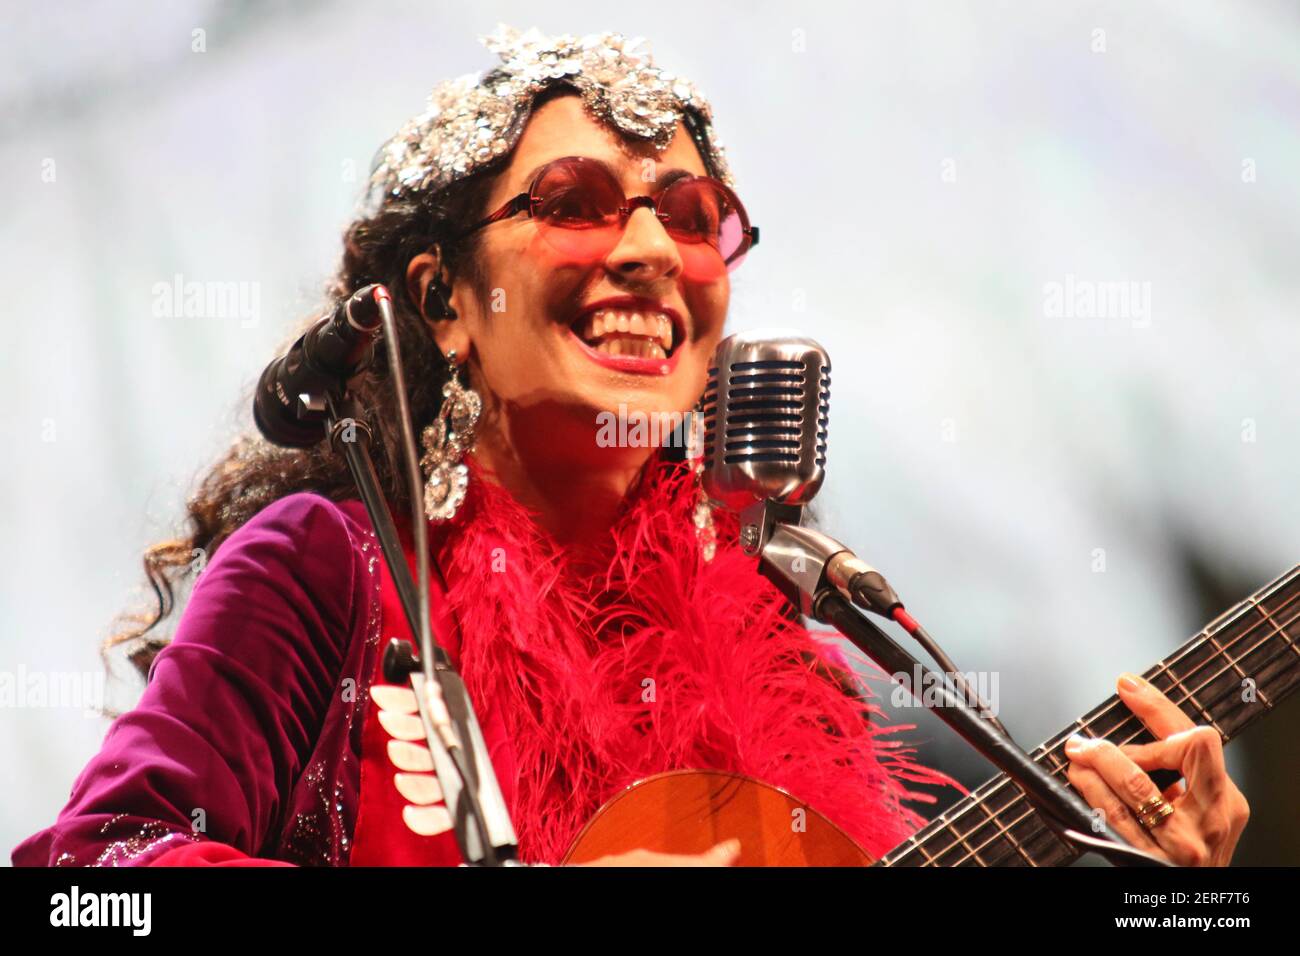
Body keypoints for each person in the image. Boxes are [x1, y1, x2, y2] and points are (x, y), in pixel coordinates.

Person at [13, 25, 1248, 868]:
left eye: (693, 215)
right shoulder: (325, 567)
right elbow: (88, 878)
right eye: (574, 203)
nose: (652, 249)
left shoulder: (789, 643)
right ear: (444, 303)